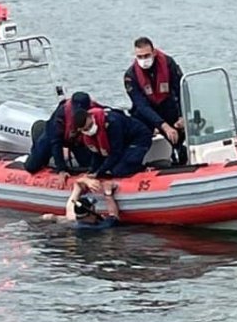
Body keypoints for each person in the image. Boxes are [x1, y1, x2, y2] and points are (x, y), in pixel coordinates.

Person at [124, 36, 187, 164]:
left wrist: (182, 115)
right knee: (140, 126)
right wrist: (163, 126)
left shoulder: (168, 63)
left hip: (167, 106)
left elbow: (180, 89)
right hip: (146, 114)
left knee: (180, 129)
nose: (143, 60)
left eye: (146, 55)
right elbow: (141, 105)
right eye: (139, 57)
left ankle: (181, 152)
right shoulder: (131, 76)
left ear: (153, 52)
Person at [24, 91, 96, 179]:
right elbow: (55, 143)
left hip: (76, 140)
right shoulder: (61, 115)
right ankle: (40, 130)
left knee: (88, 164)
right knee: (31, 166)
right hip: (55, 136)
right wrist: (61, 170)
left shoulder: (95, 111)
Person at [73, 106, 152, 178]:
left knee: (119, 170)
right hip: (124, 142)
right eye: (85, 129)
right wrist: (93, 170)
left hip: (139, 137)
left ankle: (147, 168)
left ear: (91, 117)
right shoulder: (89, 134)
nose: (89, 130)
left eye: (90, 126)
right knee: (111, 168)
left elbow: (116, 152)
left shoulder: (112, 122)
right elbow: (97, 153)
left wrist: (99, 172)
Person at [41, 176, 119, 228]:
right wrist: (108, 193)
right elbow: (113, 214)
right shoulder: (104, 225)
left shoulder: (71, 219)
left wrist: (87, 181)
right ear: (92, 209)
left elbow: (77, 185)